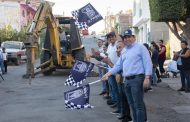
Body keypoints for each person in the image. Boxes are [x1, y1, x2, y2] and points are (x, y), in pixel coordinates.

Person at [102, 29, 152, 122]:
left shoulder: (140, 47)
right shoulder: (124, 50)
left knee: (138, 105)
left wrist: (147, 77)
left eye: (129, 37)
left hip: (137, 79)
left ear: (134, 37)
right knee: (132, 104)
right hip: (127, 80)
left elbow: (147, 62)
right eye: (125, 37)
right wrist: (108, 74)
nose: (127, 39)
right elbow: (118, 65)